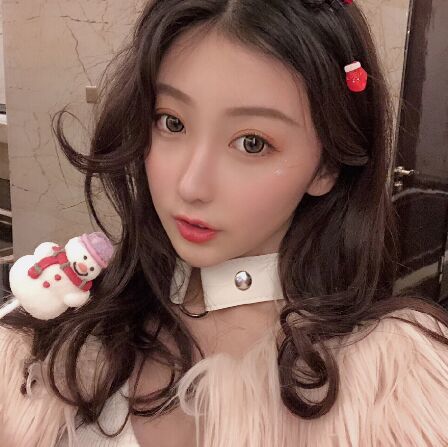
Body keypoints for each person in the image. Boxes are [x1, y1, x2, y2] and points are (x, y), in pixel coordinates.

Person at [1, 0, 448, 446]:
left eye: (252, 143)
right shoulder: (53, 343)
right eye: (171, 122)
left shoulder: (394, 391)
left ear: (327, 165)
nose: (191, 185)